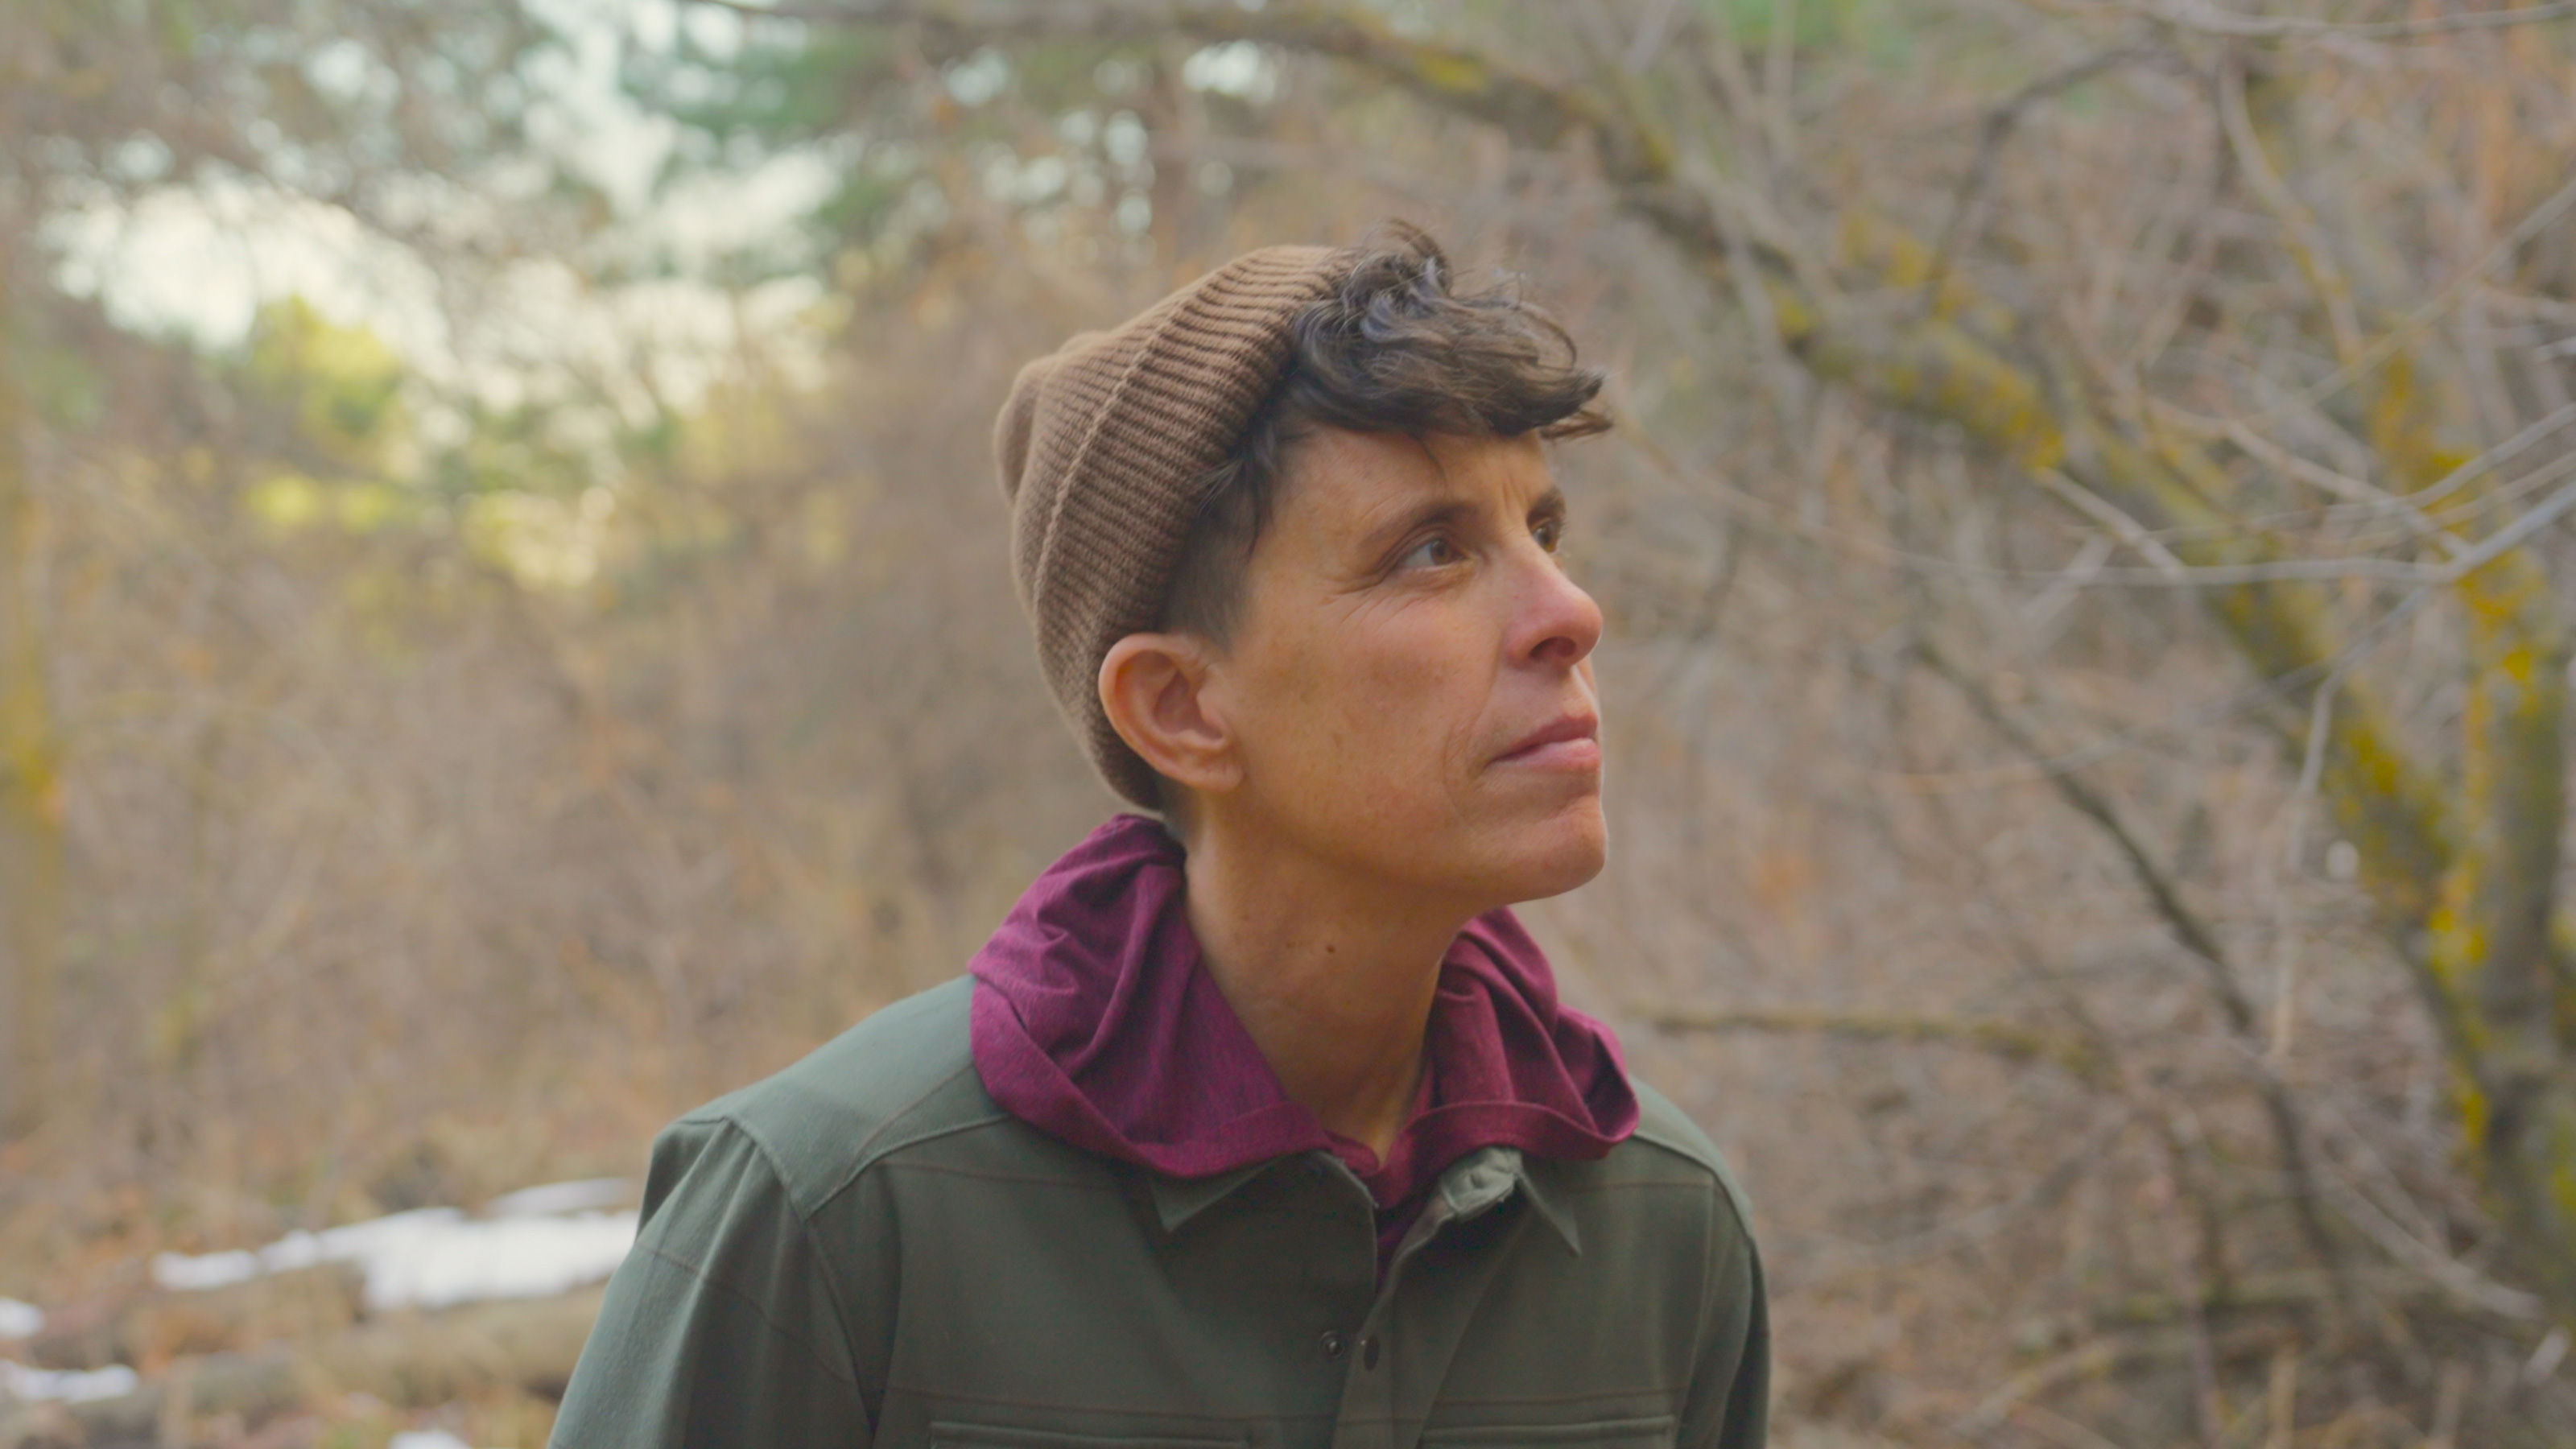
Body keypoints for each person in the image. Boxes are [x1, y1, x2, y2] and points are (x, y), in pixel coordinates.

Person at [548, 222, 1769, 1449]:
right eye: (1433, 552)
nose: (1571, 613)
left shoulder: (1663, 1223)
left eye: (1542, 533)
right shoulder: (827, 1214)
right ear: (1181, 709)